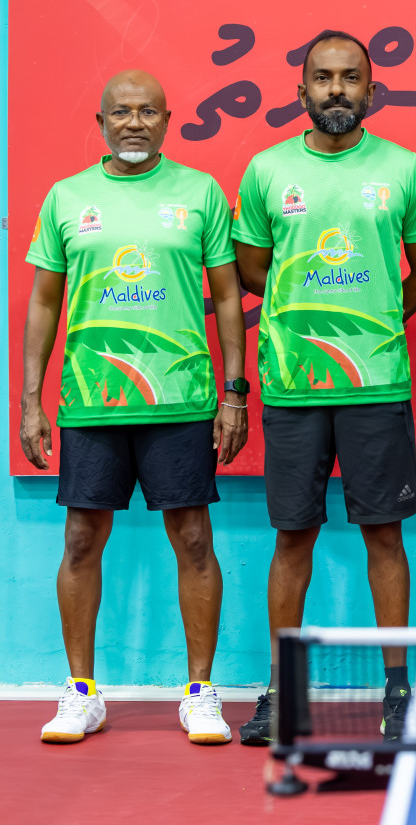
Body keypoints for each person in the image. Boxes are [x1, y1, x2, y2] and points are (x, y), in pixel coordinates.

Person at [22, 70, 248, 744]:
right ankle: (81, 693)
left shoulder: (200, 193)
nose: (134, 123)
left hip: (180, 401)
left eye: (148, 112)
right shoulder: (67, 197)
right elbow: (44, 302)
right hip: (91, 402)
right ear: (100, 122)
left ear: (167, 121)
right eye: (121, 112)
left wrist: (233, 393)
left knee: (195, 540)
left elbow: (229, 296)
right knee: (80, 540)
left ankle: (200, 693)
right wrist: (31, 400)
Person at [234, 31, 416, 744]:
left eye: (351, 77)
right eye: (323, 78)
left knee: (384, 535)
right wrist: (307, 320)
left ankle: (397, 690)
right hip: (292, 386)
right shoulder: (267, 170)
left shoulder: (404, 169)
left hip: (376, 385)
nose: (337, 90)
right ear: (302, 91)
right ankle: (282, 691)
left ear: (371, 89)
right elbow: (252, 269)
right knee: (293, 537)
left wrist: (373, 322)